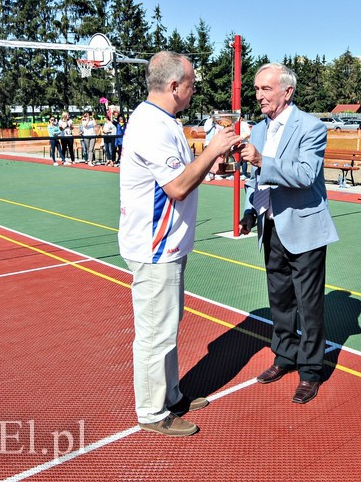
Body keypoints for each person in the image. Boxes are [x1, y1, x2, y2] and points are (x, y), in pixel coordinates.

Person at [118, 51, 241, 436]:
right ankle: (153, 412)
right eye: (190, 83)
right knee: (156, 331)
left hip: (167, 245)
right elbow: (177, 186)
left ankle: (170, 395)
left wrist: (209, 162)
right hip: (156, 248)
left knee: (167, 325)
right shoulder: (152, 125)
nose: (193, 90)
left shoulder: (161, 120)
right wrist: (212, 150)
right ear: (174, 86)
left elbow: (181, 175)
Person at [238, 62, 339, 404]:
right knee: (279, 299)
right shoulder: (258, 130)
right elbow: (257, 180)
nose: (259, 96)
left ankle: (311, 371)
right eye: (256, 89)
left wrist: (260, 160)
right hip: (271, 225)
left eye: (266, 89)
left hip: (304, 226)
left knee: (309, 304)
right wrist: (251, 211)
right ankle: (284, 356)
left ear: (287, 92)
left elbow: (305, 174)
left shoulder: (311, 127)